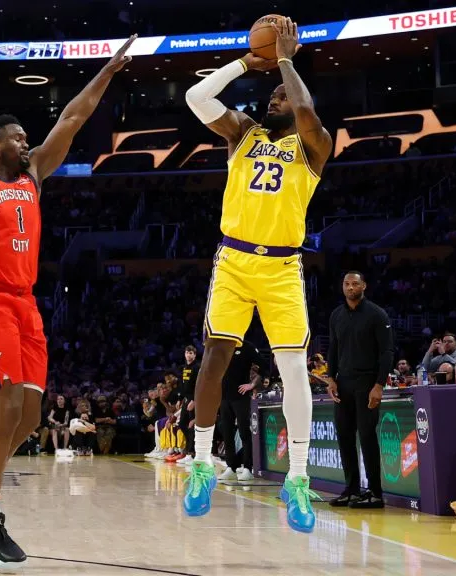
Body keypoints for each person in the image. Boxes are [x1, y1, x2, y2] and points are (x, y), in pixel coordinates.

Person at [0, 36, 136, 569]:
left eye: (26, 138)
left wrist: (108, 72)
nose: (26, 143)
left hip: (25, 305)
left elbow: (72, 118)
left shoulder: (34, 174)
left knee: (31, 417)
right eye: (17, 138)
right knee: (6, 409)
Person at [181, 17, 332, 533]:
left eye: (281, 95)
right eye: (271, 93)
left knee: (294, 370)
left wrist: (286, 60)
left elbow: (306, 111)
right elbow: (197, 98)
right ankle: (203, 464)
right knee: (214, 359)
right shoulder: (243, 133)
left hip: (283, 267)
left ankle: (298, 479)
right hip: (234, 260)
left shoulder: (314, 146)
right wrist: (246, 62)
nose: (274, 98)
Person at [324, 272, 394, 509]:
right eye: (346, 284)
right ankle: (351, 489)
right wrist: (330, 379)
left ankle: (375, 492)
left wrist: (379, 385)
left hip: (367, 382)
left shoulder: (377, 314)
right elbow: (333, 348)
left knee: (366, 435)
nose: (350, 287)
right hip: (343, 382)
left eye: (355, 283)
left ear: (364, 286)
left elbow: (387, 352)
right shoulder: (336, 315)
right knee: (344, 436)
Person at [217, 339, 267, 483]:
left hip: (240, 397)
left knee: (244, 432)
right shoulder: (223, 346)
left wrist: (251, 384)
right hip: (224, 397)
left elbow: (264, 367)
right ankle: (231, 467)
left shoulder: (247, 347)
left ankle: (247, 468)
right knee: (227, 433)